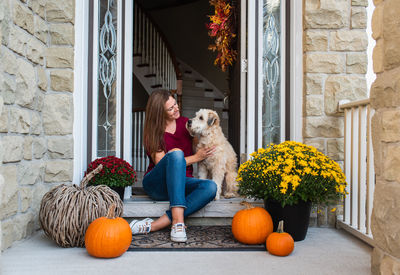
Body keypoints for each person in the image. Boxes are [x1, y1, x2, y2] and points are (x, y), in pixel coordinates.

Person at [129, 89, 217, 242]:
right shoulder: (153, 132)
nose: (176, 108)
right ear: (160, 113)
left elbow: (200, 145)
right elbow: (164, 163)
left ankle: (156, 224)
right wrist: (196, 157)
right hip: (158, 184)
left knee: (210, 187)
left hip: (181, 184)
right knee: (176, 154)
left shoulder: (185, 123)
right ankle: (178, 223)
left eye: (175, 104)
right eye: (170, 108)